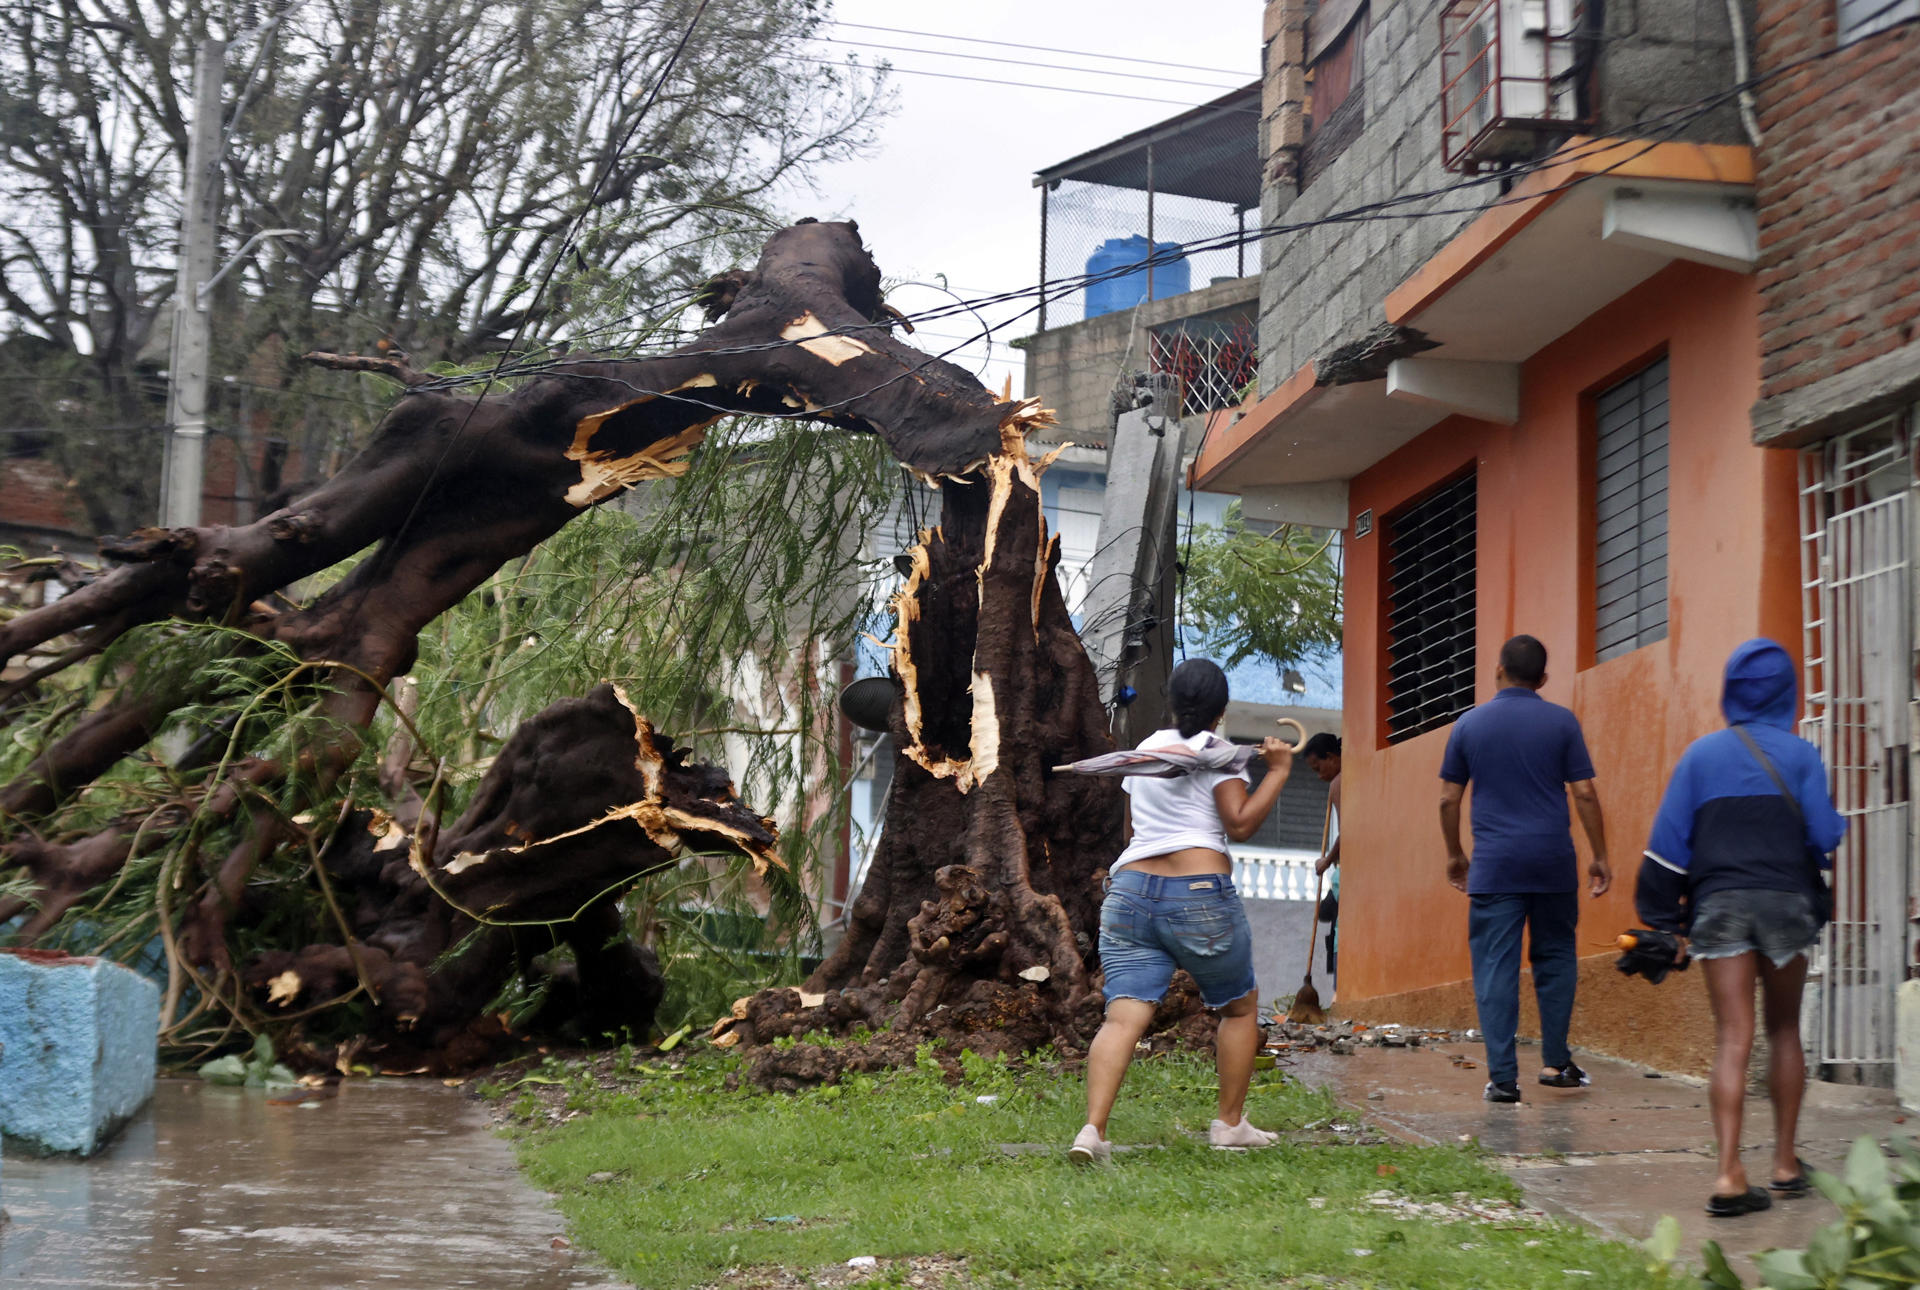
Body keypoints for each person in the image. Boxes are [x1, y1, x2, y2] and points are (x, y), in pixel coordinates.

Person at [1635, 639, 1845, 1218]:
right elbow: (1824, 837)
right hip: (1786, 902)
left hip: (1719, 901)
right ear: (1787, 691)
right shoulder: (1801, 756)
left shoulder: (1700, 757)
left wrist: (1662, 925)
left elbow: (1666, 850)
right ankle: (1783, 1163)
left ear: (1731, 689)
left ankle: (1728, 1173)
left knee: (1733, 1036)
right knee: (1783, 1030)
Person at [1070, 658, 1294, 1165]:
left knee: (1123, 1015)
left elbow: (1131, 832)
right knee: (1239, 1005)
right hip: (1197, 893)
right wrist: (1277, 772)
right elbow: (1238, 823)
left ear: (1171, 701)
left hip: (1128, 892)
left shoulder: (1144, 750)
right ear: (1220, 710)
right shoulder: (1219, 752)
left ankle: (1092, 1131)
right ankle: (1230, 1125)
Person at [1438, 634, 1612, 1104]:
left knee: (1496, 968)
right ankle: (1556, 1063)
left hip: (1495, 867)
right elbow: (1585, 793)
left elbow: (1448, 798)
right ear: (1543, 680)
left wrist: (1455, 854)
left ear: (1498, 670)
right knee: (1556, 959)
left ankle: (1503, 1079)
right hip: (1553, 861)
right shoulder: (1561, 722)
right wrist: (1599, 854)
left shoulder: (1469, 725)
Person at [1303, 732, 1343, 979]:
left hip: (1347, 873)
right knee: (1326, 914)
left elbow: (1349, 832)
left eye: (1319, 768)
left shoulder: (1339, 782)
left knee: (1339, 931)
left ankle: (1341, 991)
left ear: (1331, 757)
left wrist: (1326, 861)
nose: (1319, 776)